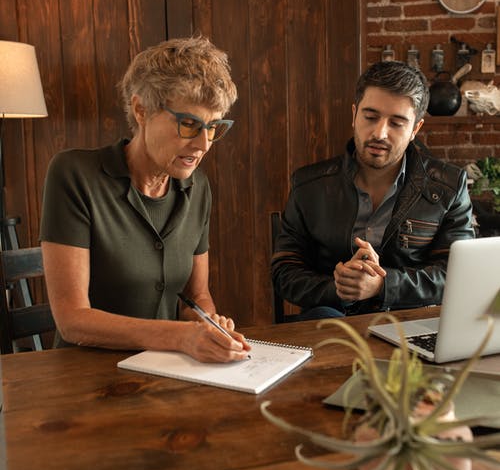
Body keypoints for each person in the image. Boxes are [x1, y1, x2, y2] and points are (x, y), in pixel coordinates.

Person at [40, 35, 250, 362]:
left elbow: (196, 296)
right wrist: (181, 337)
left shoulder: (198, 189)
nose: (203, 144)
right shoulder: (74, 175)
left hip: (167, 374)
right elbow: (72, 320)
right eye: (189, 124)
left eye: (213, 127)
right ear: (141, 109)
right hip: (84, 381)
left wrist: (207, 323)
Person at [272, 60, 475, 319]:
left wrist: (383, 285)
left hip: (410, 326)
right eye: (370, 117)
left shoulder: (449, 186)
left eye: (397, 123)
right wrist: (340, 288)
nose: (380, 133)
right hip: (331, 323)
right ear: (354, 115)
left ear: (416, 129)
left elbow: (457, 275)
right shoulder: (308, 185)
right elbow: (284, 271)